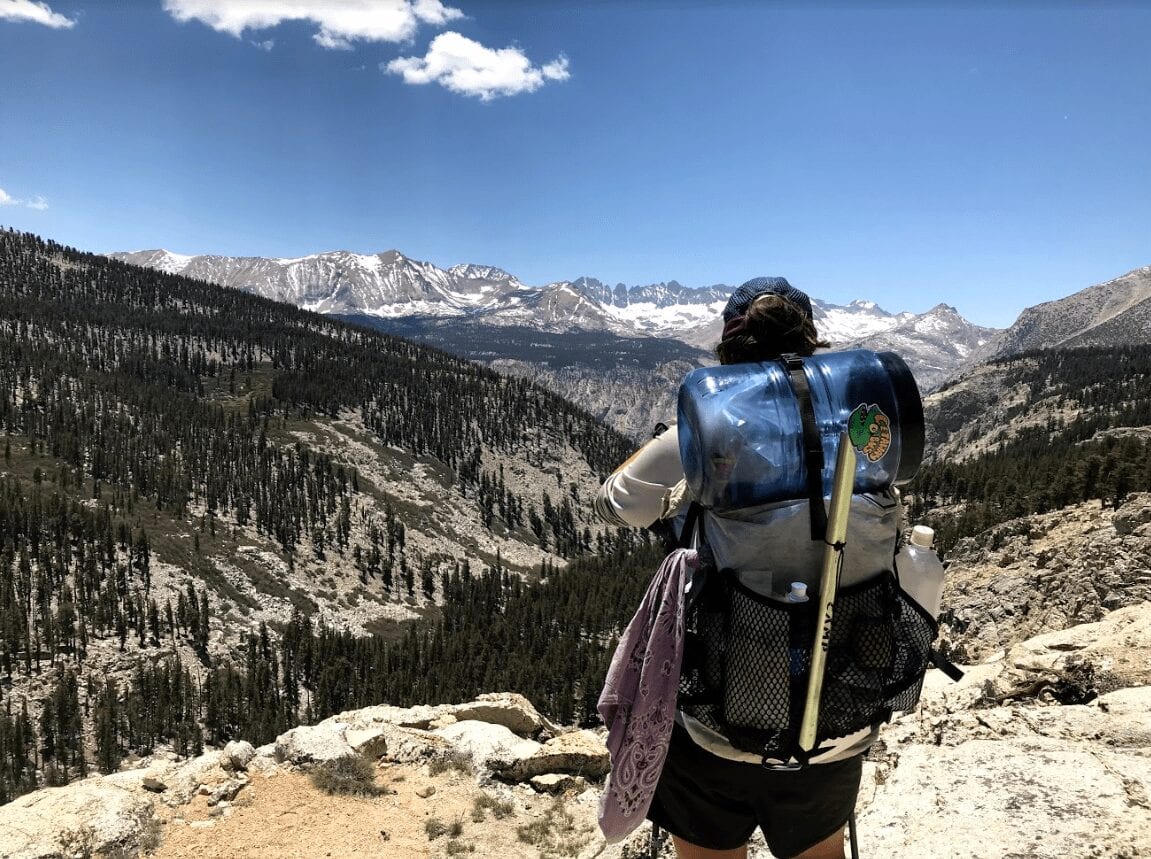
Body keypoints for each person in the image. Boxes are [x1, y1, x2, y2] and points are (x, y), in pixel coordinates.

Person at [595, 277, 882, 859]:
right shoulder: (863, 430)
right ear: (811, 342)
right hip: (832, 709)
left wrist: (673, 450)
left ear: (728, 350)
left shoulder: (708, 427)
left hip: (716, 717)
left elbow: (622, 501)